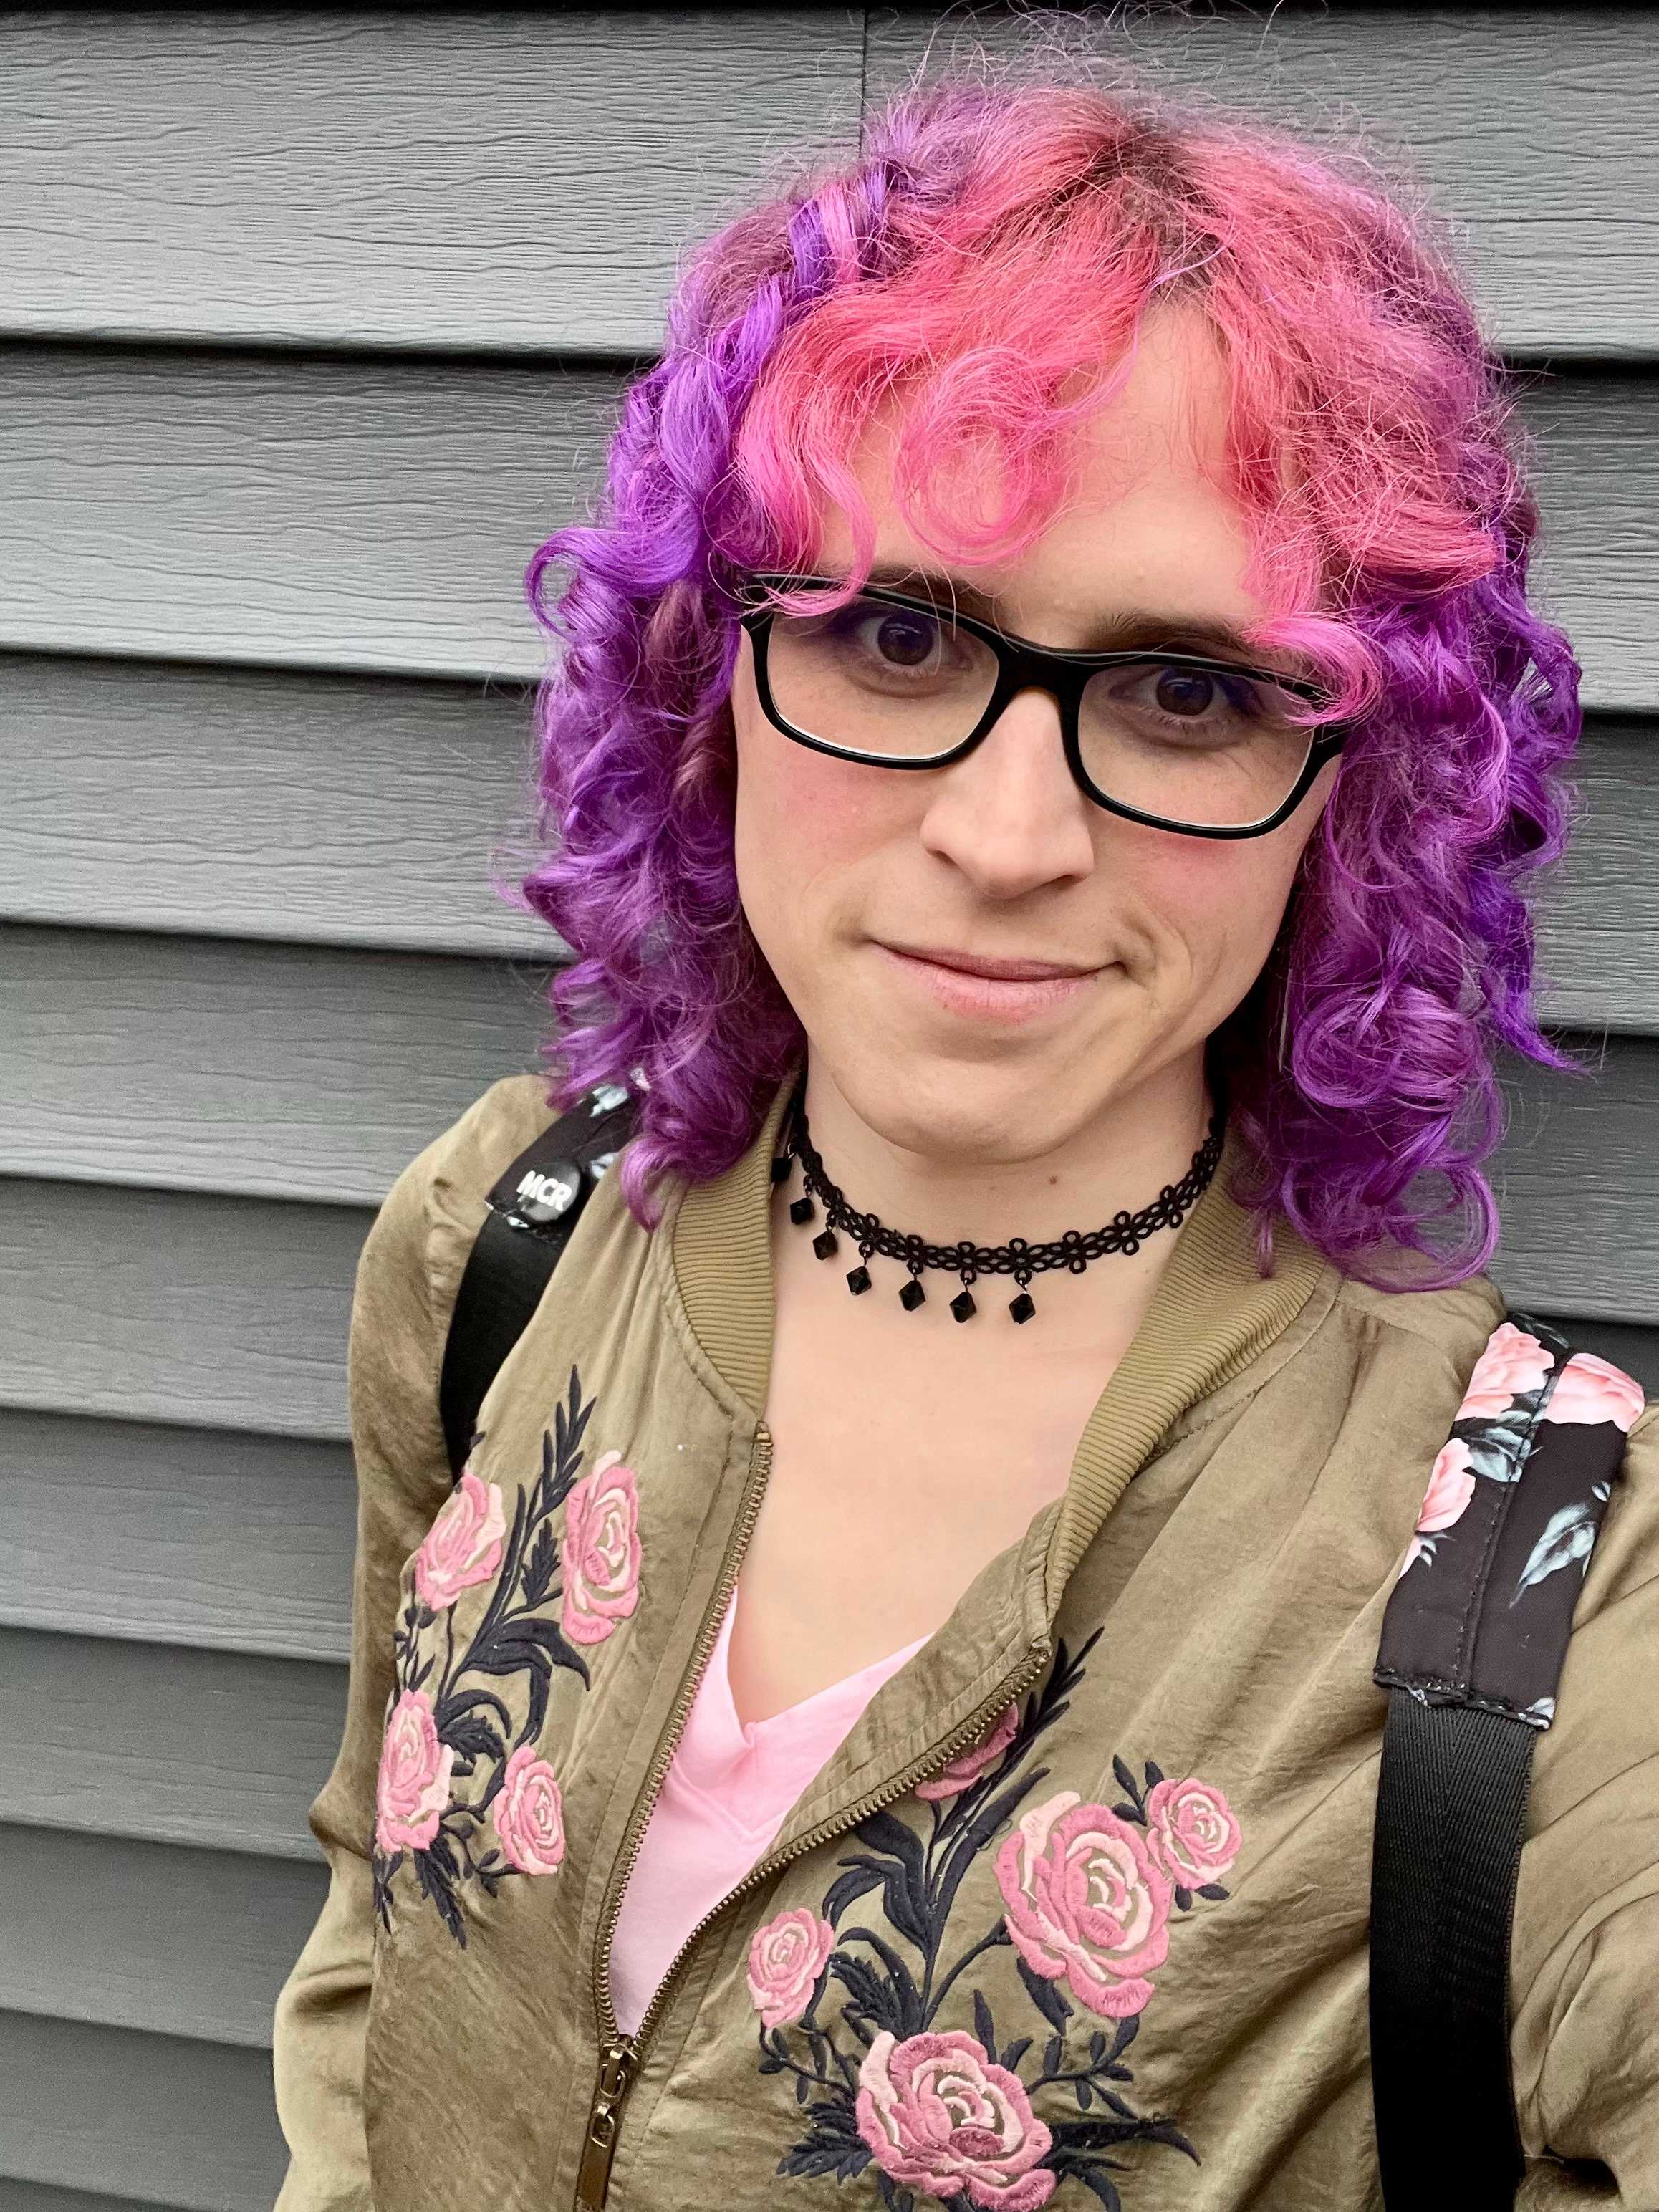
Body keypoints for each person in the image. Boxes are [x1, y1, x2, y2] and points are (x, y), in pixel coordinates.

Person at [271, 49, 1659, 2212]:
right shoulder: (500, 1244)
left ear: (1356, 787)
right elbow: (376, 1916)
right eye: (896, 634)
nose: (1005, 839)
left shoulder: (1533, 1583)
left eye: (1190, 688)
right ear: (703, 675)